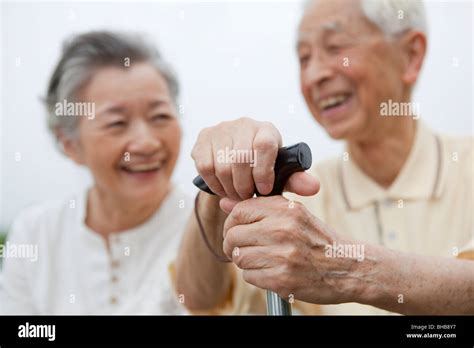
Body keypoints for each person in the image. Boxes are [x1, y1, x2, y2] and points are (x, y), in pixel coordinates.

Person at [175, 0, 474, 315]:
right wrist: (218, 185)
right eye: (304, 58)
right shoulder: (296, 200)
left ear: (411, 55)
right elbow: (202, 300)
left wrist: (346, 268)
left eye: (336, 48)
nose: (314, 74)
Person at [0, 31, 191, 314]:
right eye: (117, 123)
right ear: (70, 144)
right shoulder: (35, 234)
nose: (147, 142)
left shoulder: (207, 231)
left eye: (160, 116)